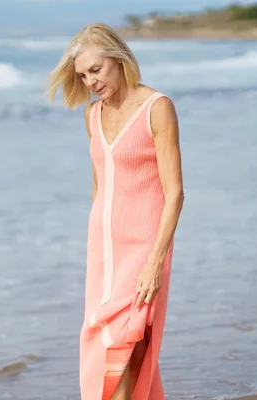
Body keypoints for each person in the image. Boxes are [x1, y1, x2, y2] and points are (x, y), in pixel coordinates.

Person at [45, 23, 184, 400]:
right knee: (124, 345)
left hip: (145, 247)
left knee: (124, 339)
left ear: (119, 59)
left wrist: (155, 262)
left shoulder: (158, 108)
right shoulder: (91, 116)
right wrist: (95, 243)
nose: (90, 81)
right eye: (82, 75)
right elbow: (100, 186)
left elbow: (175, 194)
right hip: (105, 249)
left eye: (96, 69)